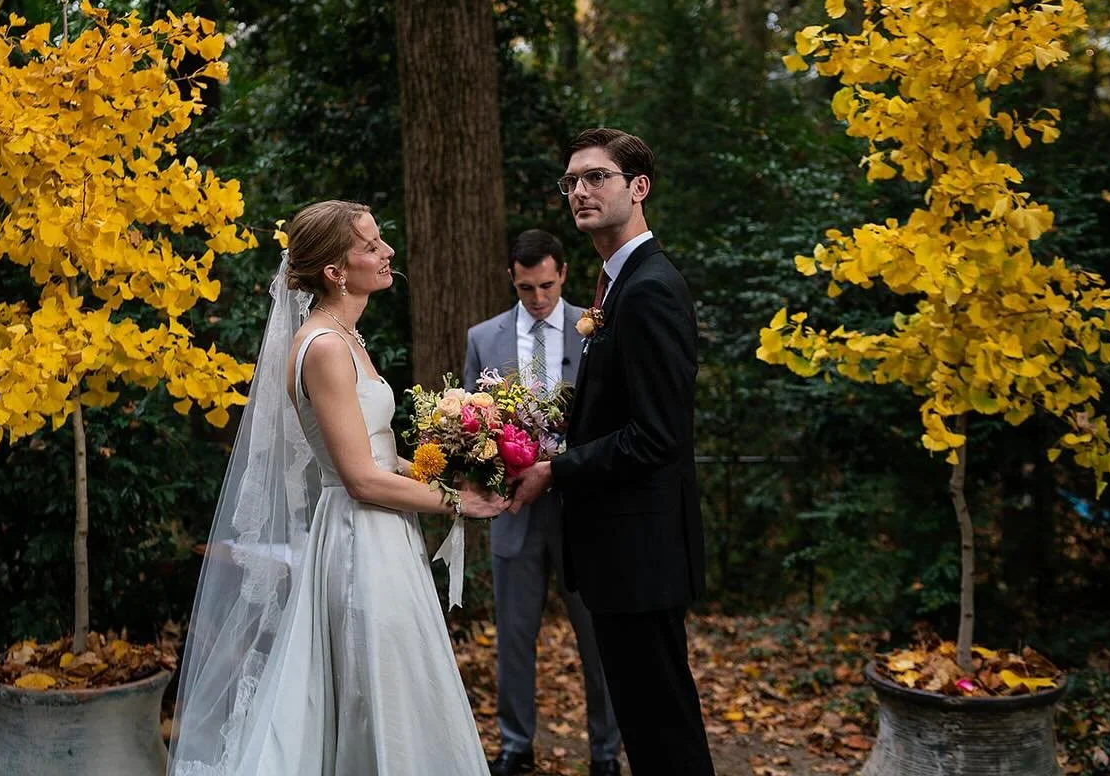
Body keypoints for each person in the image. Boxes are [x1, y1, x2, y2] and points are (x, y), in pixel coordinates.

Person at [168, 200, 509, 776]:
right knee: (373, 686)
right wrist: (459, 503)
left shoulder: (346, 336)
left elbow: (377, 456)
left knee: (394, 679)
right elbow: (358, 477)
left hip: (383, 531)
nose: (388, 252)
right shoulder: (324, 347)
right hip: (360, 538)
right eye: (371, 246)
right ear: (335, 271)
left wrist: (446, 468)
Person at [510, 129, 715, 776]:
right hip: (621, 553)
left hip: (640, 552)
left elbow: (657, 435)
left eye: (597, 177)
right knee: (651, 728)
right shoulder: (616, 284)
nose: (580, 191)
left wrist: (556, 469)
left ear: (639, 187)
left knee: (664, 734)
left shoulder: (648, 288)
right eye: (572, 181)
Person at [462, 230, 622, 776]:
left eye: (547, 286)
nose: (538, 297)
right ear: (512, 278)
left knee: (597, 637)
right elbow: (474, 423)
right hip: (515, 511)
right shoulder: (482, 338)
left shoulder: (595, 327)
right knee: (513, 635)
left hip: (584, 508)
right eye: (526, 287)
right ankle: (515, 745)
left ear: (563, 275)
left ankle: (605, 752)